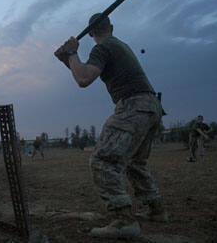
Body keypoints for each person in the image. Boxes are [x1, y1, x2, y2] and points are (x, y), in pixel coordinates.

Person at [54, 14, 167, 238]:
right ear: (111, 27)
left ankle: (124, 220)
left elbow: (83, 80)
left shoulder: (102, 48)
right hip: (152, 106)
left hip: (133, 105)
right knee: (135, 162)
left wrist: (72, 52)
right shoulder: (118, 45)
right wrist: (68, 59)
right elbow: (83, 72)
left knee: (102, 161)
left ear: (91, 33)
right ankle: (157, 210)